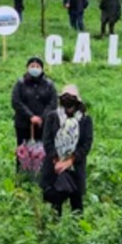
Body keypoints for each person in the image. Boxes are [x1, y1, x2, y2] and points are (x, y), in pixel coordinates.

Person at [40, 85, 93, 215]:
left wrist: (70, 161)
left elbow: (86, 144)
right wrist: (57, 160)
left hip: (75, 166)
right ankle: (54, 229)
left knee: (77, 203)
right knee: (55, 201)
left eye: (70, 97)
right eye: (64, 97)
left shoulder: (85, 119)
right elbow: (47, 141)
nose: (67, 99)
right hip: (55, 166)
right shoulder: (53, 117)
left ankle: (77, 231)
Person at [11, 56, 58, 148]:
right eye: (32, 66)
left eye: (37, 66)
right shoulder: (20, 83)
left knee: (42, 152)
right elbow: (16, 101)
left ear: (42, 69)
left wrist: (42, 117)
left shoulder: (49, 84)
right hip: (23, 124)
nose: (35, 68)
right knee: (23, 151)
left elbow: (53, 103)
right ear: (28, 68)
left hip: (44, 125)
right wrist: (30, 116)